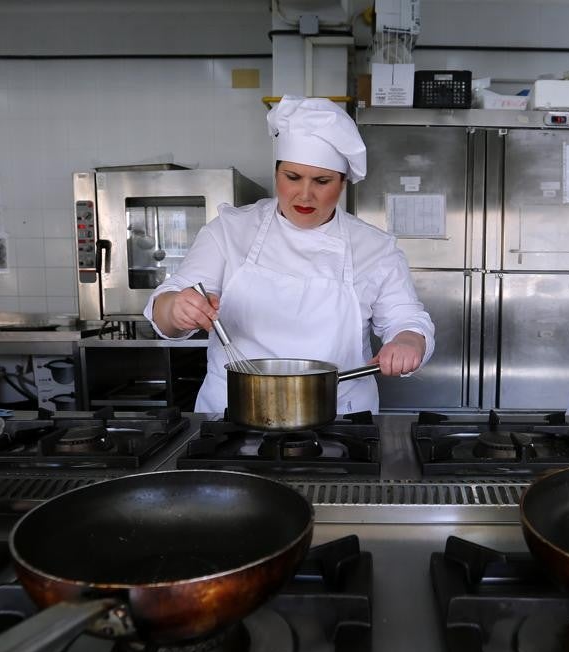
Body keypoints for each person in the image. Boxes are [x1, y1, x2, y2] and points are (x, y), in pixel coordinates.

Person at [146, 96, 434, 415]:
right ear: (276, 173)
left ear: (342, 183)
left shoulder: (375, 247)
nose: (305, 195)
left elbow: (406, 318)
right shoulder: (229, 231)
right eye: (292, 177)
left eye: (322, 181)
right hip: (232, 412)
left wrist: (408, 340)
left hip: (339, 414)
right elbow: (165, 311)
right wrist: (177, 309)